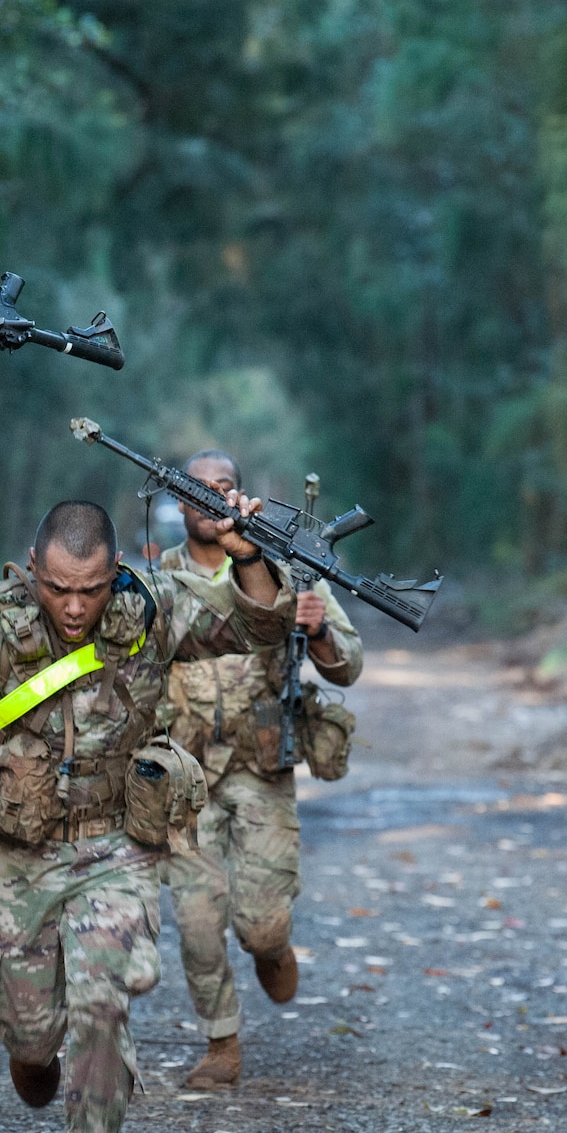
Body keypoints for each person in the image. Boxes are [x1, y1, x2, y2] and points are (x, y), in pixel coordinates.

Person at [0, 497, 293, 1133]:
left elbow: (259, 626)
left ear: (115, 575)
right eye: (59, 587)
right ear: (33, 569)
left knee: (103, 1001)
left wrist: (247, 554)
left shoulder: (151, 609)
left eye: (92, 588)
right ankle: (32, 1057)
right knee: (33, 1039)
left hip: (117, 847)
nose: (74, 606)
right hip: (17, 851)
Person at [156, 449, 362, 1089]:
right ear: (181, 504)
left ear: (241, 499)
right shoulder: (153, 584)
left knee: (260, 921)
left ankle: (272, 948)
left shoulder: (290, 572)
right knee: (195, 920)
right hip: (185, 773)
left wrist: (319, 629)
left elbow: (347, 666)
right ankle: (222, 1043)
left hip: (259, 767)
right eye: (200, 489)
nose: (214, 499)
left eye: (226, 487)